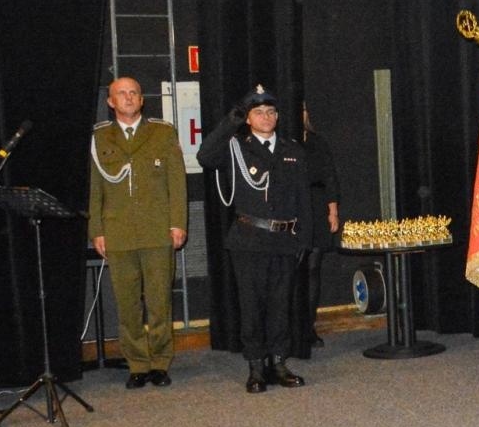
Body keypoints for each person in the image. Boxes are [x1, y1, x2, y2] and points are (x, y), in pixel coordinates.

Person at [198, 84, 315, 393]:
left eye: (271, 112)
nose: (266, 117)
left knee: (280, 303)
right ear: (248, 118)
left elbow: (304, 197)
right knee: (251, 304)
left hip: (284, 238)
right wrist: (231, 121)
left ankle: (278, 362)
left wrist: (304, 238)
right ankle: (255, 367)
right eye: (258, 112)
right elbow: (205, 156)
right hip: (249, 238)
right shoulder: (237, 146)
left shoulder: (292, 150)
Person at [86, 77, 187, 389]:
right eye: (121, 94)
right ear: (111, 102)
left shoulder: (162, 132)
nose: (128, 98)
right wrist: (97, 230)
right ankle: (137, 364)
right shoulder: (99, 138)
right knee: (127, 303)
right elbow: (95, 188)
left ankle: (159, 362)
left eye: (133, 93)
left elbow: (176, 183)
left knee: (159, 302)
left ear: (142, 100)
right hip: (118, 233)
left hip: (157, 230)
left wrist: (178, 223)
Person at [296, 102, 342, 351]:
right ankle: (292, 326)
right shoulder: (283, 143)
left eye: (304, 109)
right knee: (293, 271)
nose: (301, 113)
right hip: (292, 209)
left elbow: (330, 177)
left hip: (316, 207)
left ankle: (308, 326)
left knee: (313, 269)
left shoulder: (317, 142)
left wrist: (332, 212)